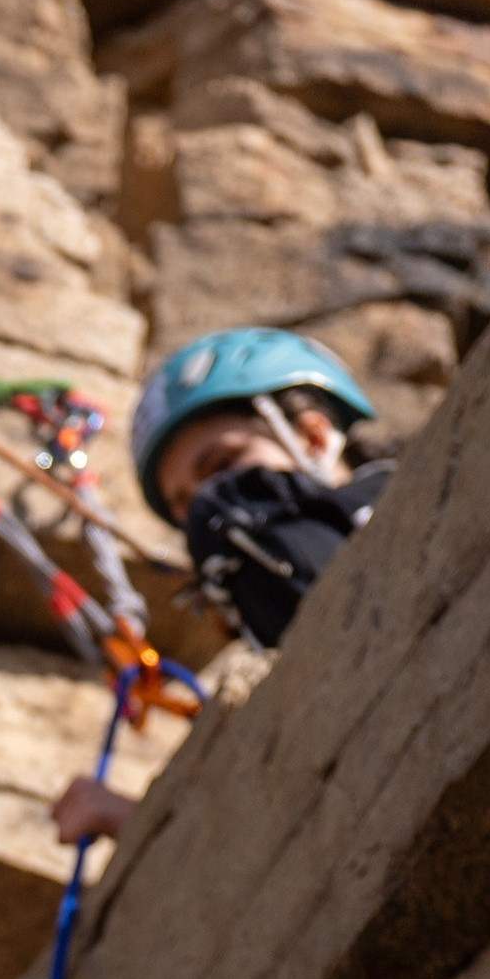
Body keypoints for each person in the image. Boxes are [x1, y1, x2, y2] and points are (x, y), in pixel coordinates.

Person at [51, 326, 387, 851]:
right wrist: (132, 820)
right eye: (185, 508)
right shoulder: (257, 688)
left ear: (314, 438)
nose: (207, 509)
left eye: (224, 465)